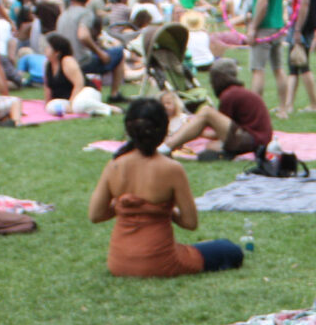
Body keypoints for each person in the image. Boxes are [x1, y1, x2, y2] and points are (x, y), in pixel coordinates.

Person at [92, 98, 243, 279]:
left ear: (129, 130)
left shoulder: (114, 165)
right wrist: (163, 210)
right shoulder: (171, 169)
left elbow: (96, 214)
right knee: (229, 249)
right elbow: (190, 223)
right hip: (159, 262)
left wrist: (124, 205)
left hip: (119, 262)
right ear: (164, 130)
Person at [161, 57, 271, 160]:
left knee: (207, 112)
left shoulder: (230, 95)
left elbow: (221, 132)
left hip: (252, 140)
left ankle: (167, 146)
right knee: (210, 147)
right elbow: (226, 130)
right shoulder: (237, 92)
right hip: (257, 140)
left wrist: (194, 130)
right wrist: (195, 130)